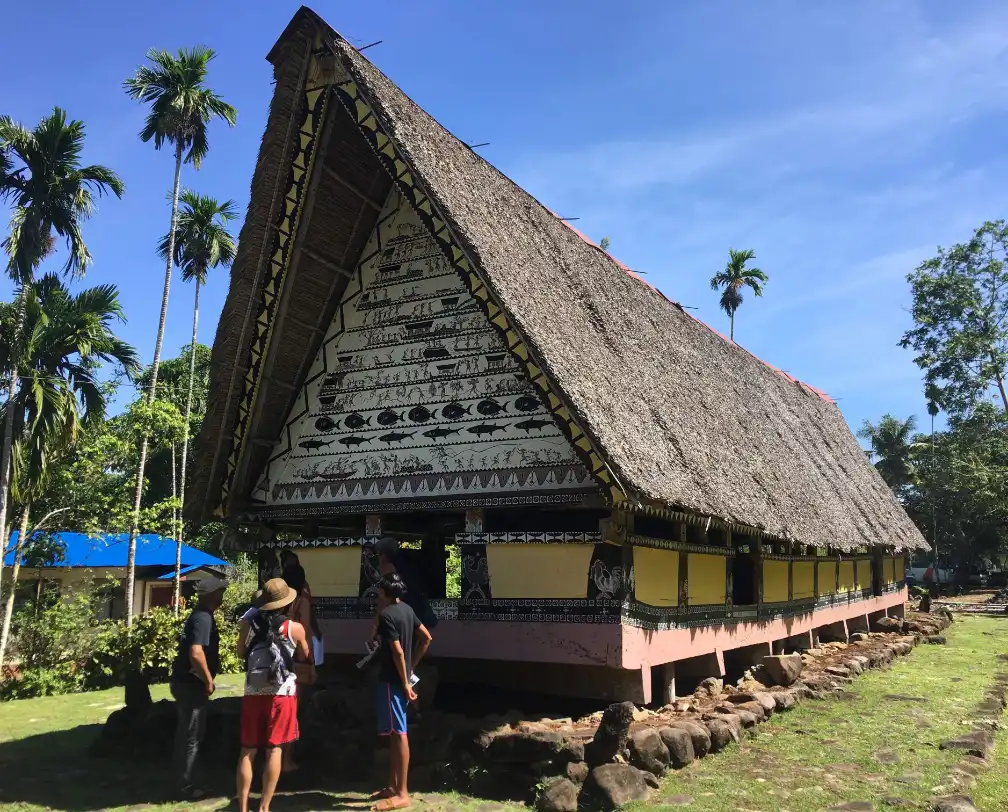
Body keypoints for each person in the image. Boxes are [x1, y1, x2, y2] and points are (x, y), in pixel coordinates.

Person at [236, 577, 314, 812]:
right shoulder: (294, 628)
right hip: (282, 695)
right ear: (287, 603)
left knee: (247, 750)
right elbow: (306, 654)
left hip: (252, 692)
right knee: (274, 749)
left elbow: (241, 653)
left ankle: (242, 807)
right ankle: (264, 807)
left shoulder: (248, 624)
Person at [371, 573, 432, 811]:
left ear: (385, 593)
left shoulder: (387, 616)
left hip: (392, 681)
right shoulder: (407, 610)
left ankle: (403, 793)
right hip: (399, 679)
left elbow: (396, 652)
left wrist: (405, 682)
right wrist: (412, 667)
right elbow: (426, 638)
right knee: (395, 735)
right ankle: (392, 786)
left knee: (399, 733)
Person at [169, 576, 227, 800]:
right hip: (191, 684)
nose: (222, 596)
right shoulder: (203, 618)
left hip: (187, 683)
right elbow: (196, 653)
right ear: (211, 595)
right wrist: (208, 680)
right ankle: (185, 786)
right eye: (219, 592)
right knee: (190, 736)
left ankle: (184, 780)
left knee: (188, 733)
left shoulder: (200, 615)